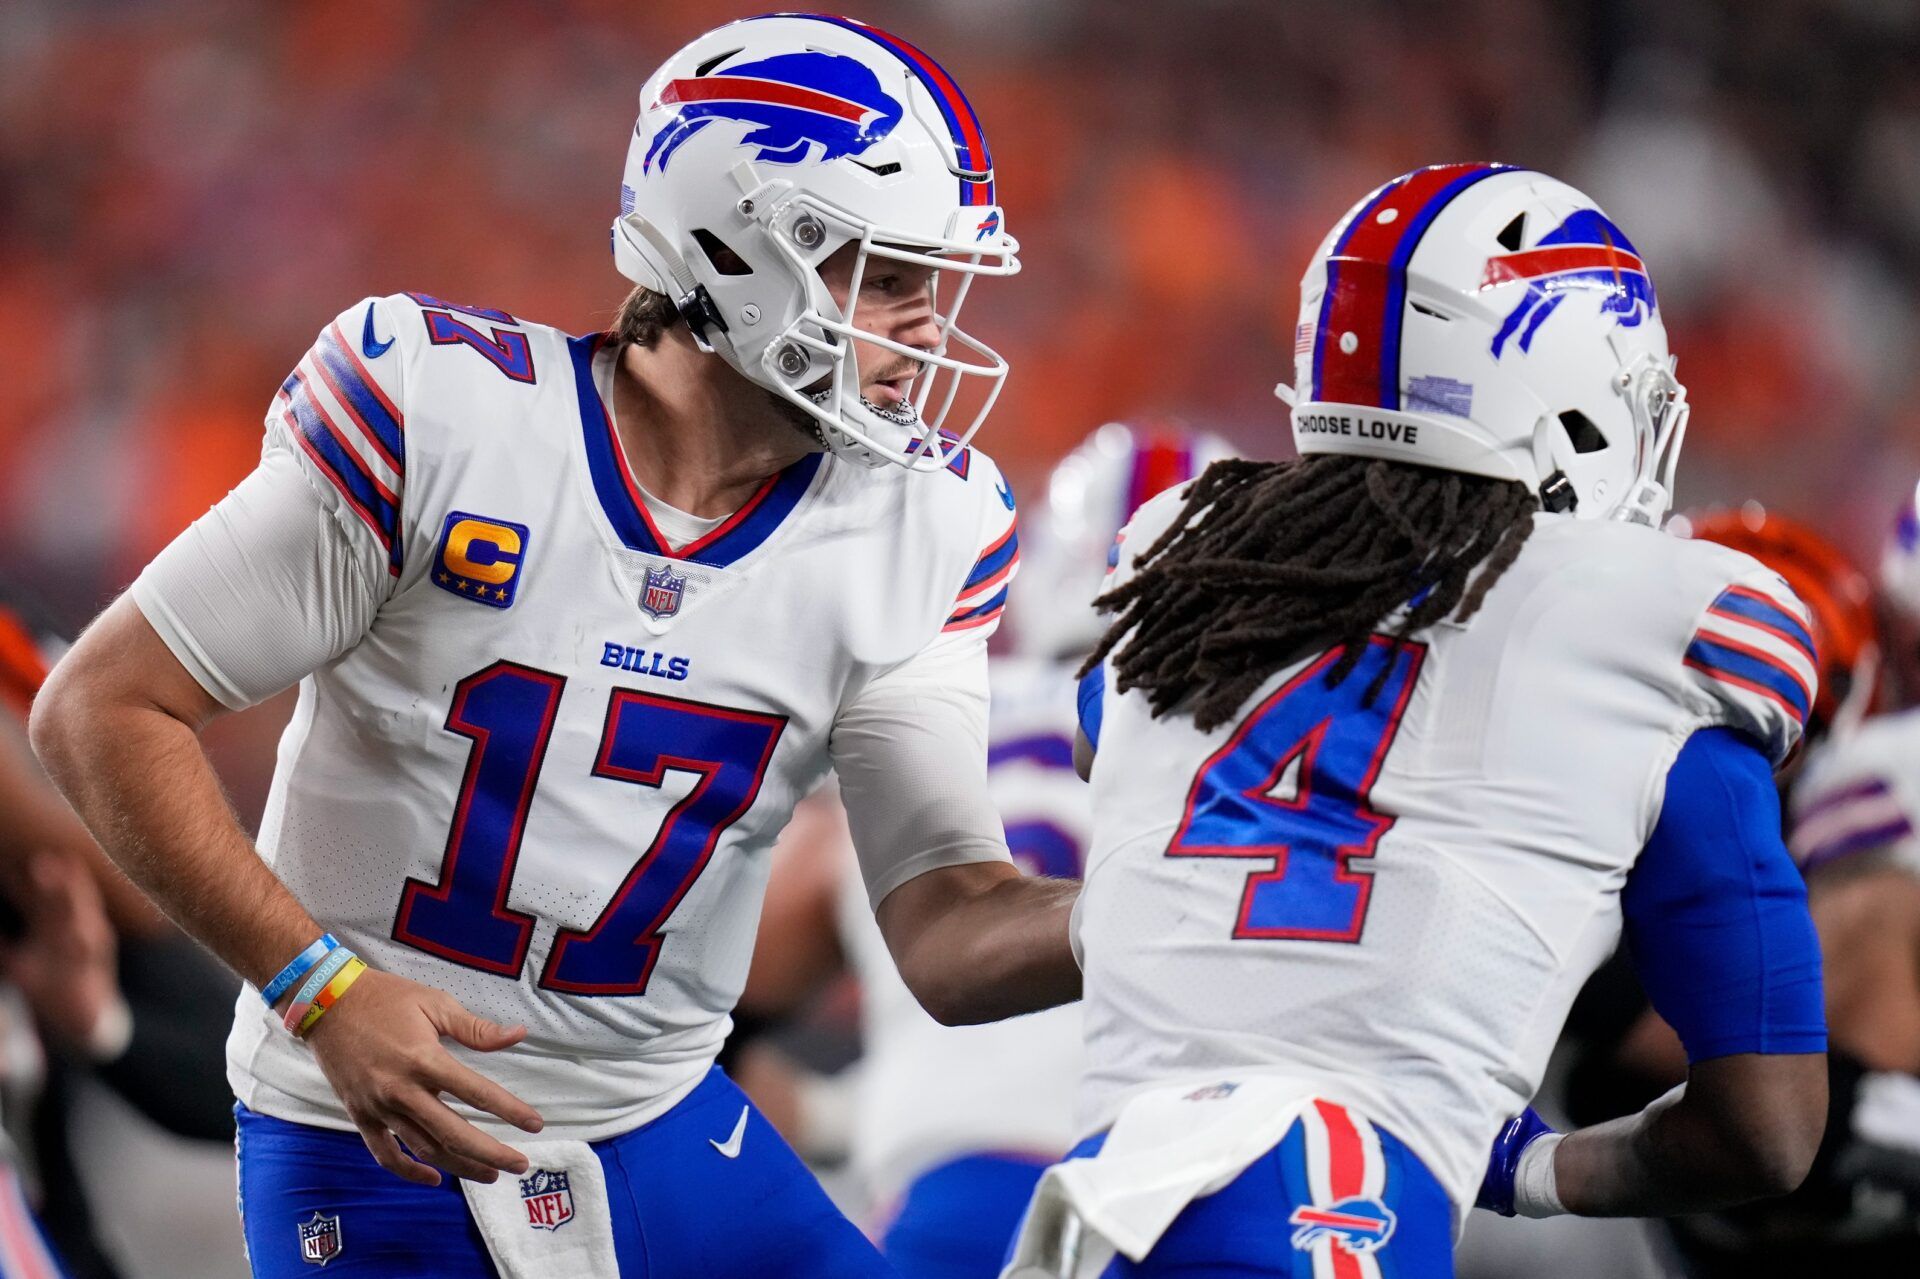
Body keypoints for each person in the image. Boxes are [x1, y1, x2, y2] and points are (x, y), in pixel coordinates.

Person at [29, 14, 1080, 1278]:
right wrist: (320, 991)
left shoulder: (926, 524)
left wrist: (1152, 913)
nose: (926, 328)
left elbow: (950, 932)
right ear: (739, 246)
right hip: (385, 1120)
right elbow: (99, 707)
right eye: (890, 275)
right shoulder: (444, 418)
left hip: (663, 1120)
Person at [1002, 164, 1828, 1279]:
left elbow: (1138, 765)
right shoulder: (1665, 631)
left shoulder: (1179, 563)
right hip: (1329, 1208)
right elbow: (1768, 1126)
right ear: (1575, 405)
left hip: (1100, 1210)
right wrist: (1536, 1170)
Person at [741, 423, 1234, 1279]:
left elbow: (733, 980)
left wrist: (824, 1116)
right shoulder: (1299, 747)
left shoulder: (937, 714)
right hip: (1217, 1192)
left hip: (964, 1186)